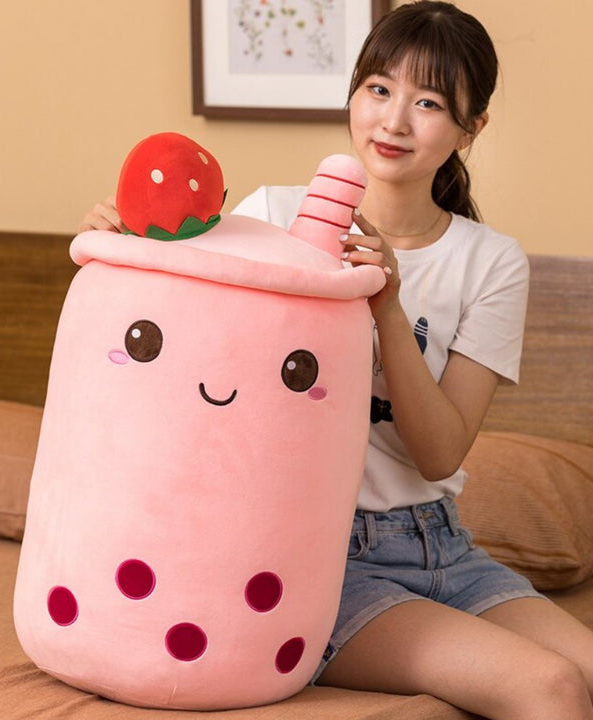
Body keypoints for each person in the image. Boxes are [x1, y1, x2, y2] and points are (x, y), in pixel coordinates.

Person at [80, 3, 593, 717]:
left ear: (471, 128)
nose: (394, 121)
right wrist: (126, 245)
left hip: (442, 545)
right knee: (549, 686)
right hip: (314, 556)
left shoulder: (491, 262)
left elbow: (439, 453)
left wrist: (388, 305)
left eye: (429, 103)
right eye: (379, 89)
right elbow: (178, 349)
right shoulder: (272, 217)